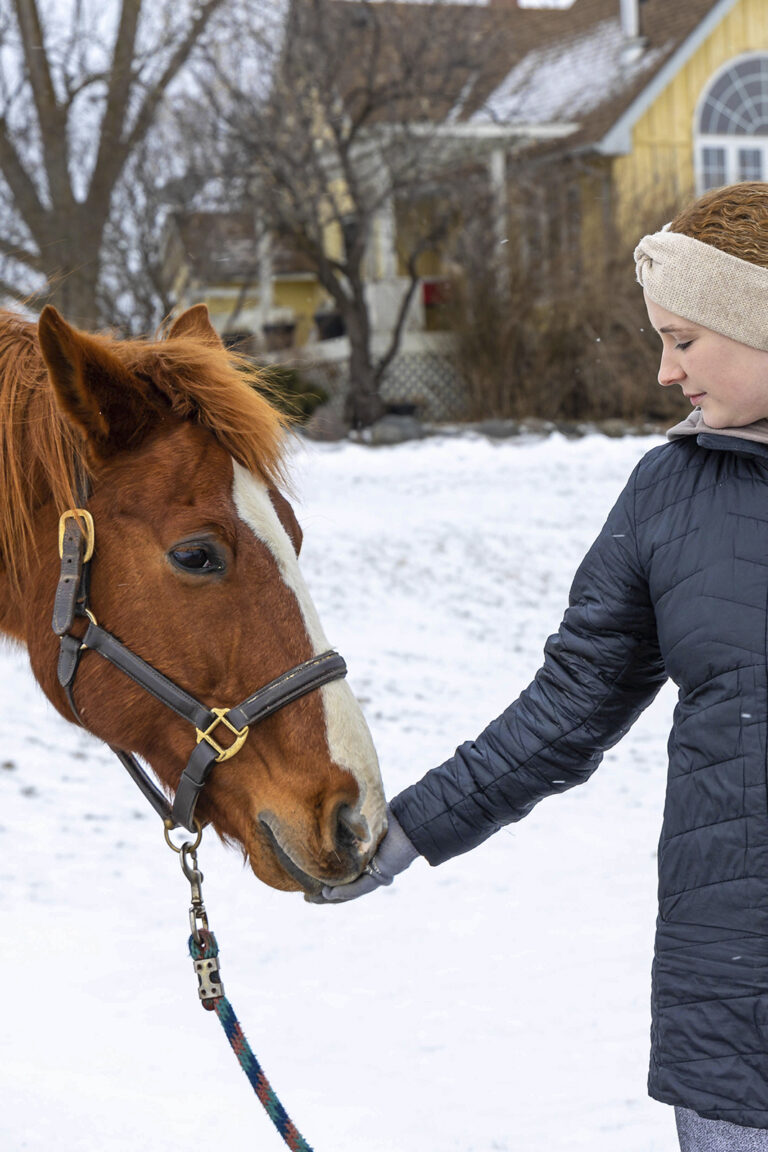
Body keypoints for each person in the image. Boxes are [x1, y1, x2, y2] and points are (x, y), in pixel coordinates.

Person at [315, 181, 768, 1152]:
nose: (661, 371)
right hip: (741, 1019)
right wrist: (400, 837)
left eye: (684, 340)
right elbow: (565, 710)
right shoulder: (667, 497)